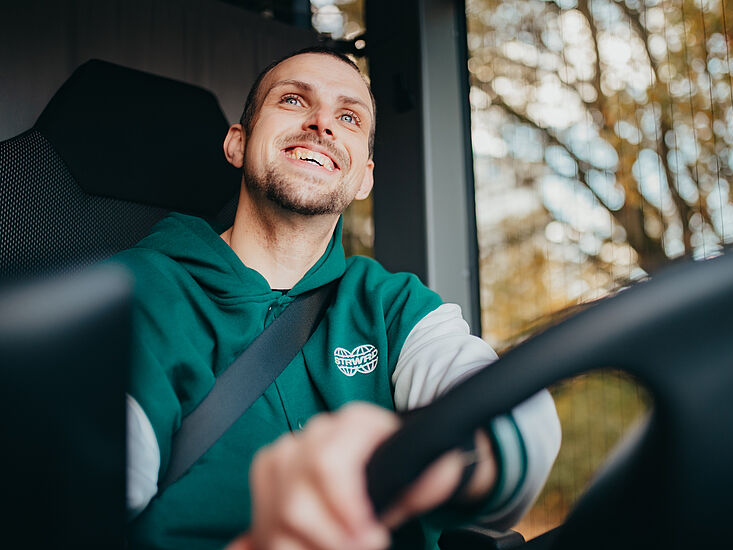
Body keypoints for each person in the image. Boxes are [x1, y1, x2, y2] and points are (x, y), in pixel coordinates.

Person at [114, 46, 562, 550]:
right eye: (292, 100)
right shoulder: (137, 290)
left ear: (365, 177)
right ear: (237, 144)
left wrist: (434, 457)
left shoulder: (393, 305)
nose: (322, 123)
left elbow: (511, 408)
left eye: (348, 116)